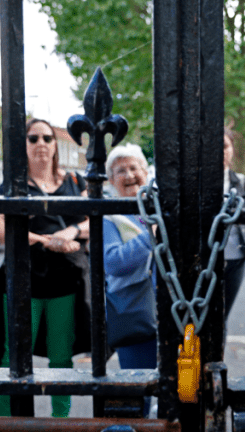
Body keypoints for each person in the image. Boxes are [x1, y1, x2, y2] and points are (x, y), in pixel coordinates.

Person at [0, 118, 90, 418]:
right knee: (14, 357)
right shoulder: (13, 184)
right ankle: (3, 423)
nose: (41, 144)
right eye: (33, 139)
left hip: (65, 282)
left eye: (47, 138)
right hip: (24, 281)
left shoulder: (75, 182)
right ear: (24, 145)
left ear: (56, 143)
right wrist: (47, 241)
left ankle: (60, 422)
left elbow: (92, 223)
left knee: (61, 358)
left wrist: (69, 233)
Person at [103, 143, 157, 369]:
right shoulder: (109, 218)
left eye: (134, 168)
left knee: (184, 385)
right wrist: (150, 236)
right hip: (133, 311)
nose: (129, 175)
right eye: (121, 171)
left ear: (146, 173)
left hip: (176, 308)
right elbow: (114, 262)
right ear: (111, 180)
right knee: (139, 383)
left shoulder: (162, 208)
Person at [223, 128, 245, 318]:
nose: (221, 152)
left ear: (232, 149)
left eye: (225, 146)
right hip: (207, 258)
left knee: (223, 314)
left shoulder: (242, 182)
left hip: (236, 258)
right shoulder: (198, 182)